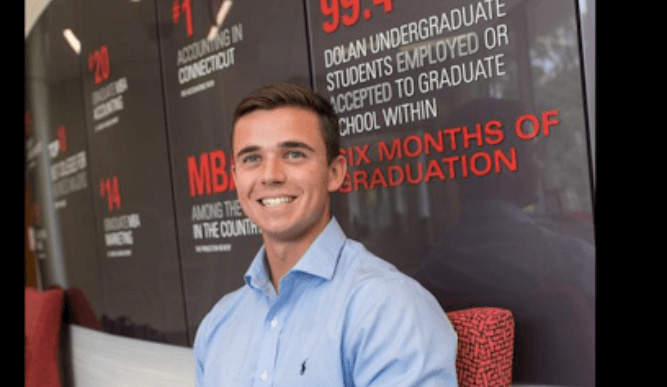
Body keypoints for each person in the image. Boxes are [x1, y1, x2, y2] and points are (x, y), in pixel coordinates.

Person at [194, 82, 458, 386]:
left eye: (293, 154)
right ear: (236, 178)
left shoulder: (387, 307)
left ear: (334, 173)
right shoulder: (218, 325)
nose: (270, 175)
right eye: (252, 158)